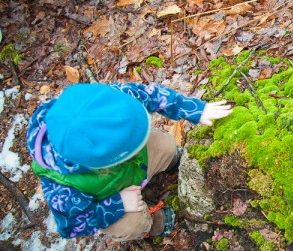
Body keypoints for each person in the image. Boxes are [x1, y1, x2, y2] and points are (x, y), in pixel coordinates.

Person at [25, 82, 232, 241]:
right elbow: (74, 226)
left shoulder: (107, 103)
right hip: (112, 195)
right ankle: (152, 225)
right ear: (105, 162)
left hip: (134, 166)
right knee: (129, 225)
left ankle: (169, 161)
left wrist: (195, 109)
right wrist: (118, 204)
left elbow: (150, 95)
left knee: (164, 145)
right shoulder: (63, 188)